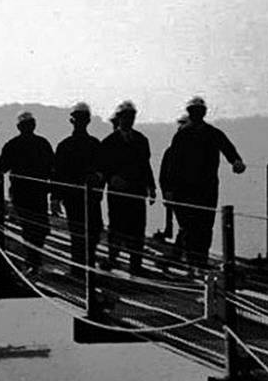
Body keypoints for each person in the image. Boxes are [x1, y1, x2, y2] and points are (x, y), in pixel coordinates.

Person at [167, 96, 246, 267]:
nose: (197, 114)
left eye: (199, 111)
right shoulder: (182, 135)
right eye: (194, 111)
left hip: (206, 189)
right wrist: (171, 189)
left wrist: (236, 161)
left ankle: (199, 262)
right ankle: (193, 263)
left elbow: (228, 148)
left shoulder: (211, 133)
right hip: (187, 190)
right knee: (189, 227)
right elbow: (173, 165)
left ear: (203, 113)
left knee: (204, 227)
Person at [97, 101, 156, 274]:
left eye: (131, 117)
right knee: (116, 225)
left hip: (137, 190)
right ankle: (113, 258)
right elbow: (103, 166)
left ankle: (135, 265)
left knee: (137, 228)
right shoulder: (109, 142)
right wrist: (111, 179)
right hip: (118, 192)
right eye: (126, 117)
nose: (129, 120)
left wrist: (151, 187)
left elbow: (145, 165)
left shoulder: (141, 140)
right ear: (119, 119)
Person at [0, 111, 55, 271]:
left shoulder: (12, 144)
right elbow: (52, 168)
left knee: (29, 227)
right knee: (39, 226)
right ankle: (35, 258)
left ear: (19, 127)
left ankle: (32, 260)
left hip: (21, 193)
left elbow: (2, 167)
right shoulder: (43, 143)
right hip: (39, 192)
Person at [53, 102, 103, 276]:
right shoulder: (93, 145)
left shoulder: (66, 146)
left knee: (87, 232)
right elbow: (58, 174)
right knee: (83, 232)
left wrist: (55, 198)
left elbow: (101, 172)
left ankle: (82, 268)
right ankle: (82, 269)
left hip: (79, 197)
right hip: (77, 197)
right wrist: (56, 197)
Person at [157, 114, 190, 244]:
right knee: (185, 225)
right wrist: (166, 192)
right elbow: (164, 175)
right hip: (177, 194)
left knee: (187, 226)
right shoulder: (171, 151)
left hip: (189, 194)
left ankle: (180, 248)